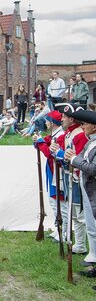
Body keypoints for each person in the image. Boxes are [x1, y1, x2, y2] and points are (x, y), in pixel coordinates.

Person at [50, 103, 88, 255]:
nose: (62, 119)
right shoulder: (68, 134)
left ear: (72, 119)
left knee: (79, 214)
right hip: (68, 177)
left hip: (76, 178)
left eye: (65, 116)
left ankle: (81, 245)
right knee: (73, 212)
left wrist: (58, 153)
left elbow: (76, 158)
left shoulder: (78, 134)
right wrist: (56, 152)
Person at [64, 109, 96, 288]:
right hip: (88, 190)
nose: (82, 126)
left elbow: (93, 169)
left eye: (86, 123)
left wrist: (74, 160)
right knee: (92, 227)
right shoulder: (90, 143)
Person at [33, 110, 66, 242]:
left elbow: (49, 153)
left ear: (53, 123)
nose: (46, 122)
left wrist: (40, 143)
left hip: (57, 171)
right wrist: (38, 141)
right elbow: (44, 143)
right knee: (53, 201)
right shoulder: (54, 134)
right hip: (51, 170)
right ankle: (57, 228)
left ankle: (63, 233)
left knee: (60, 203)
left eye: (48, 120)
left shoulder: (60, 136)